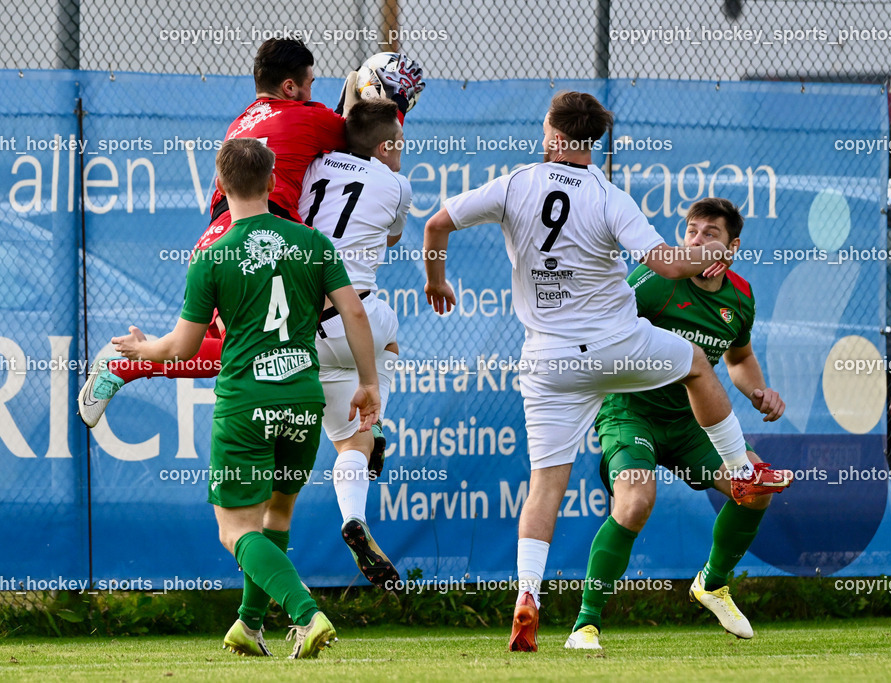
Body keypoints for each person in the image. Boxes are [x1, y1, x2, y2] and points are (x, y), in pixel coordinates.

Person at [422, 91, 792, 653]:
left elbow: (436, 224)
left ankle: (528, 594)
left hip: (548, 360)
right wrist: (705, 255)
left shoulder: (515, 183)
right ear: (591, 141)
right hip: (618, 350)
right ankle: (740, 470)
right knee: (695, 364)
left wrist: (436, 280)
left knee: (545, 486)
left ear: (553, 134)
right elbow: (667, 263)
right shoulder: (607, 195)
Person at [110, 138, 381, 658]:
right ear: (274, 182)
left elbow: (183, 348)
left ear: (219, 186)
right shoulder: (313, 243)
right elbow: (354, 313)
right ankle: (249, 624)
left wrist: (143, 350)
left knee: (235, 530)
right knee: (277, 514)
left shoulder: (212, 257)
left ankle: (307, 614)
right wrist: (368, 383)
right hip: (303, 399)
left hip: (246, 402)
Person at [77, 37, 423, 424]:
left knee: (214, 344)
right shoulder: (306, 117)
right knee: (257, 348)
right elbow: (364, 137)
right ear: (289, 87)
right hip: (261, 236)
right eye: (309, 83)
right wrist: (391, 96)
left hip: (219, 233)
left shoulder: (242, 121)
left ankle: (132, 361)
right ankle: (128, 365)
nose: (312, 93)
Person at [567, 197, 784, 653]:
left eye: (711, 234)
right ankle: (585, 625)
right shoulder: (655, 281)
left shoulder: (740, 297)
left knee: (756, 489)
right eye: (691, 231)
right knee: (636, 501)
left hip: (692, 427)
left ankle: (712, 584)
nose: (697, 241)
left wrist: (758, 390)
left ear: (732, 247)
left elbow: (739, 357)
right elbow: (604, 331)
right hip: (631, 413)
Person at [297, 99, 412, 589]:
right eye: (399, 144)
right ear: (385, 147)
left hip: (301, 327)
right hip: (357, 317)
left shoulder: (313, 165)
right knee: (391, 335)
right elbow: (391, 238)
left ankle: (355, 511)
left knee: (346, 441)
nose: (402, 151)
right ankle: (375, 429)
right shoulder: (397, 184)